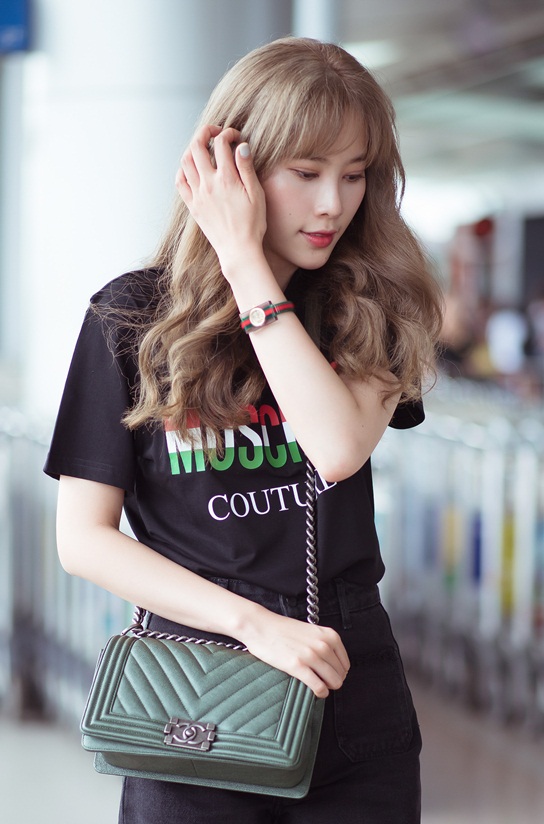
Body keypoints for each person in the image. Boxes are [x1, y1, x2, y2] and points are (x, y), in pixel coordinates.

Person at [44, 36, 442, 824]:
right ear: (231, 167)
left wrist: (245, 264)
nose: (333, 204)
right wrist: (254, 626)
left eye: (355, 174)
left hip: (347, 685)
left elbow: (335, 449)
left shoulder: (371, 308)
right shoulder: (134, 319)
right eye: (306, 172)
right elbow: (83, 539)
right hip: (194, 682)